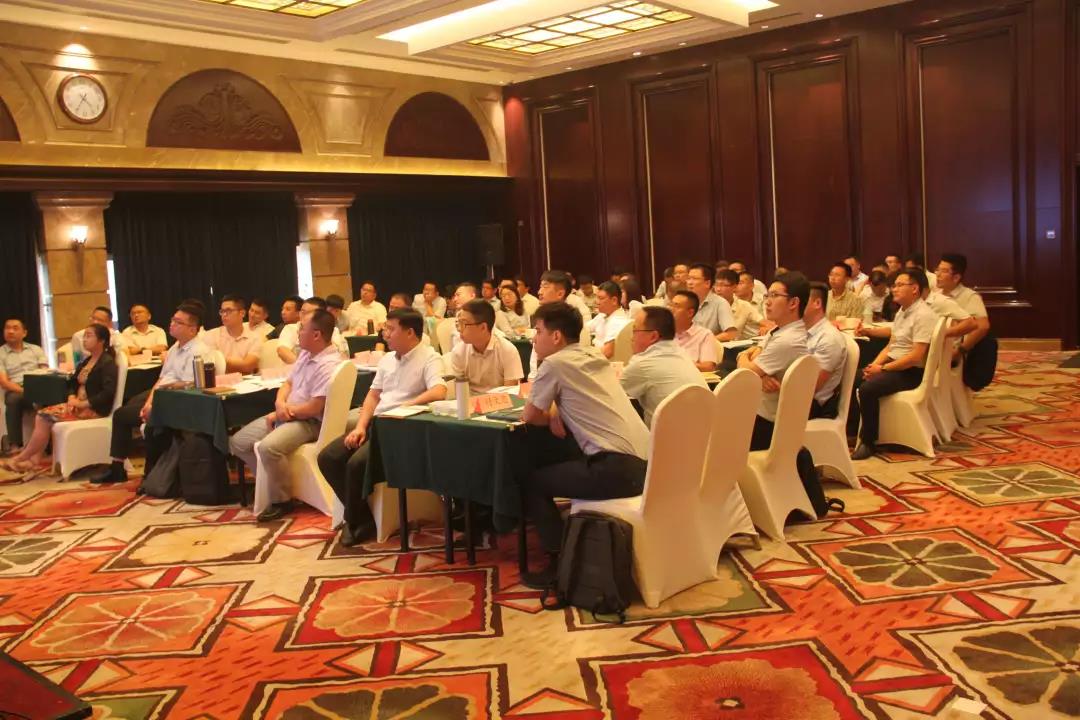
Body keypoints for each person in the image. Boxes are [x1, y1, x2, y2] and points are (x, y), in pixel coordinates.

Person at [520, 302, 649, 587]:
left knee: (532, 481)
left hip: (615, 469)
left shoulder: (554, 364)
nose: (533, 339)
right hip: (646, 465)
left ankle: (559, 562)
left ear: (556, 336)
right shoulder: (593, 355)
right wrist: (556, 408)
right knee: (565, 459)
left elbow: (529, 416)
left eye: (538, 331)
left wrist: (550, 412)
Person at [318, 309, 447, 545]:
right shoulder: (387, 359)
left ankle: (352, 521)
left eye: (390, 329)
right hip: (377, 425)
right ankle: (362, 517)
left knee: (356, 464)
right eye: (385, 328)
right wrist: (360, 427)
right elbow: (373, 396)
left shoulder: (430, 357)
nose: (384, 334)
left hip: (401, 429)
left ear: (410, 333)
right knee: (328, 457)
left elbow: (439, 391)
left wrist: (408, 405)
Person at [230, 310, 343, 522]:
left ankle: (282, 500)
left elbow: (314, 407)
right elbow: (288, 383)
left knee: (268, 447)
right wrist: (279, 403)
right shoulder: (306, 354)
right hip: (288, 412)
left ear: (316, 335)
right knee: (239, 442)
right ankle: (269, 482)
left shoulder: (329, 364)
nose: (298, 332)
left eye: (302, 328)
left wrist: (284, 412)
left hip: (309, 422)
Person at [105, 300, 210, 484]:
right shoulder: (174, 348)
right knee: (125, 411)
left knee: (144, 421)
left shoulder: (198, 351)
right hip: (163, 395)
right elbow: (161, 379)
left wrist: (156, 405)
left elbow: (188, 386)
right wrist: (149, 402)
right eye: (173, 320)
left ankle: (151, 475)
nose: (172, 324)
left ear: (192, 329)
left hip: (180, 402)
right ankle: (117, 468)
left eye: (178, 322)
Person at [2, 324, 118, 475]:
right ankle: (32, 460)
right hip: (77, 406)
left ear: (101, 340)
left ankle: (22, 458)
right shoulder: (87, 361)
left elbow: (108, 393)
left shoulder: (107, 362)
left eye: (89, 336)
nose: (84, 340)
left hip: (93, 410)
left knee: (43, 417)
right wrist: (71, 396)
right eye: (84, 336)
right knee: (43, 415)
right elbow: (72, 383)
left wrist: (83, 403)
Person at [852, 270, 938, 459]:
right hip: (895, 365)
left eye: (900, 285)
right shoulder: (902, 311)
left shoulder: (923, 314)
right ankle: (852, 432)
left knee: (867, 389)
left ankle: (869, 442)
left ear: (914, 289)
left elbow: (916, 356)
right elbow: (890, 346)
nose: (894, 289)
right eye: (894, 285)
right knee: (853, 377)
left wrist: (882, 369)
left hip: (911, 372)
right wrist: (872, 367)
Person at [737, 271, 811, 450]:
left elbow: (745, 373)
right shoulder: (778, 330)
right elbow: (755, 354)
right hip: (759, 408)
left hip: (767, 420)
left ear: (793, 303)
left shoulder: (788, 339)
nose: (767, 302)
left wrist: (745, 358)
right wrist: (760, 374)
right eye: (767, 295)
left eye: (775, 295)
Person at [620, 306, 706, 426]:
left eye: (635, 330)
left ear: (653, 336)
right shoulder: (682, 354)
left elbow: (611, 395)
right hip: (704, 432)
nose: (631, 337)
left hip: (668, 436)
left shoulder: (643, 364)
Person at [449, 300, 524, 393]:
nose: (459, 329)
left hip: (501, 400)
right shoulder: (459, 352)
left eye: (464, 324)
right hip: (471, 401)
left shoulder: (507, 350)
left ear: (483, 327)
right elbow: (461, 393)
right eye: (458, 323)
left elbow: (511, 392)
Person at [0, 317, 48, 453]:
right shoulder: (1, 353)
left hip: (37, 385)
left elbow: (45, 371)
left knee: (53, 398)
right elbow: (4, 382)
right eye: (7, 328)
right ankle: (15, 445)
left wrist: (36, 389)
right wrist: (25, 391)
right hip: (15, 389)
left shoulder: (36, 349)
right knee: (13, 399)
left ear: (24, 333)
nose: (10, 331)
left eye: (15, 328)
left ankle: (47, 447)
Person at [804, 282, 848, 419]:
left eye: (801, 299)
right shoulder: (800, 330)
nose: (793, 304)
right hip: (795, 393)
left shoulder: (829, 338)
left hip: (812, 404)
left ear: (817, 303)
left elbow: (811, 386)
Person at [933, 253, 991, 356]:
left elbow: (983, 326)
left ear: (956, 277)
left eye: (944, 271)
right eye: (938, 269)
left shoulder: (970, 296)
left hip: (950, 351)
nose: (938, 274)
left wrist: (959, 351)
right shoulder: (935, 295)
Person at [202, 295, 263, 375]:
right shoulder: (211, 335)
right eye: (222, 311)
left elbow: (248, 366)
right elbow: (210, 365)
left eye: (228, 311)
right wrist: (239, 364)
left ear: (242, 313)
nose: (224, 314)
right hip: (220, 381)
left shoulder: (255, 337)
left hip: (246, 381)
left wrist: (220, 361)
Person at [277, 297, 348, 363]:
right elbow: (282, 350)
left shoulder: (332, 330)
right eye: (302, 312)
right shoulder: (291, 329)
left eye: (309, 313)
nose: (304, 316)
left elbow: (342, 353)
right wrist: (301, 367)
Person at [670, 291, 719, 372]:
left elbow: (708, 367)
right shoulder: (660, 333)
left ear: (690, 313)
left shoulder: (704, 335)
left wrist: (678, 363)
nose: (670, 309)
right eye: (670, 305)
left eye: (676, 306)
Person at [687, 263, 736, 337]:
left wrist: (706, 341)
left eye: (695, 279)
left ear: (707, 283)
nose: (690, 282)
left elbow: (730, 333)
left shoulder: (720, 303)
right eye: (688, 278)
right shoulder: (683, 302)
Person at [713, 269, 762, 341]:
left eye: (723, 285)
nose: (718, 289)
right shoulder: (709, 305)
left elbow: (765, 322)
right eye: (716, 285)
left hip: (733, 346)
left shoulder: (743, 305)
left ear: (735, 287)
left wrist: (764, 327)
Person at [587, 281, 631, 359]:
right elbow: (585, 328)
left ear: (614, 300)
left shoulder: (618, 321)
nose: (596, 302)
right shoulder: (602, 315)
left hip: (604, 362)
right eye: (597, 297)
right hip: (594, 354)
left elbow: (607, 352)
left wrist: (585, 355)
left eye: (601, 298)